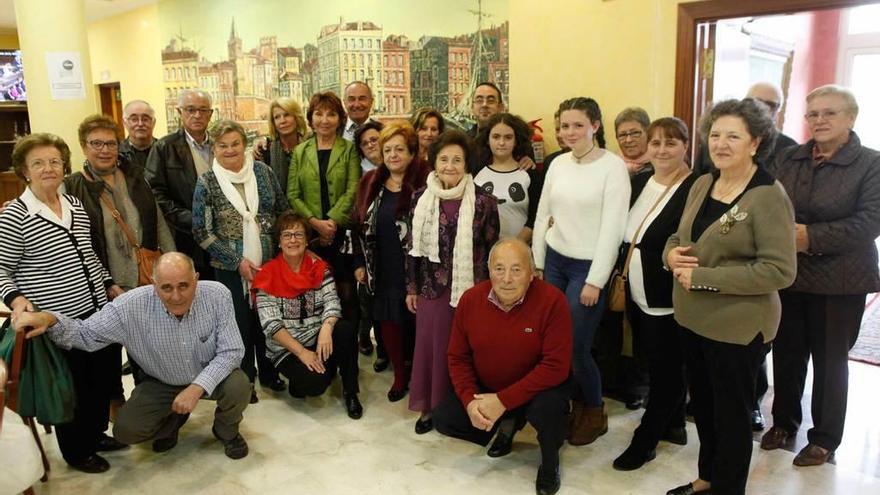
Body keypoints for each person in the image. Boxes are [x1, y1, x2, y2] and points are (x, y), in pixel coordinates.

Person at [663, 98, 796, 495]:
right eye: (715, 135)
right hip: (692, 319)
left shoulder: (769, 196)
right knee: (703, 408)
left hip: (737, 327)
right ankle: (708, 479)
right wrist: (671, 255)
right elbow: (679, 236)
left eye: (733, 136)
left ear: (756, 142)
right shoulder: (704, 182)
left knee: (732, 418)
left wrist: (704, 277)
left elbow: (780, 271)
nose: (720, 143)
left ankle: (728, 489)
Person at [13, 252, 251, 460]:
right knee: (126, 431)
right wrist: (50, 318)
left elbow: (231, 351)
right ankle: (172, 423)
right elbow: (85, 335)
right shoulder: (129, 306)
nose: (176, 296)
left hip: (209, 375)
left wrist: (197, 387)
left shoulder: (217, 295)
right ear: (153, 283)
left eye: (184, 286)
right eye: (166, 288)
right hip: (161, 382)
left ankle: (226, 431)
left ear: (196, 280)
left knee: (240, 385)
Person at [761, 84, 880, 467]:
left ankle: (825, 438)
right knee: (787, 353)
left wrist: (809, 236)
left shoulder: (872, 163)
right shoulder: (789, 157)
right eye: (813, 114)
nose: (819, 121)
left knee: (830, 361)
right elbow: (769, 202)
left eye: (829, 113)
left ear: (851, 117)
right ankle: (783, 423)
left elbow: (870, 221)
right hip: (790, 274)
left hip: (842, 277)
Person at [0, 133, 125, 473]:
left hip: (97, 312)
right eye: (38, 163)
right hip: (55, 319)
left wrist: (109, 282)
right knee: (74, 387)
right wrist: (17, 299)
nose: (48, 168)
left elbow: (88, 252)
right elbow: (1, 267)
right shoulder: (15, 215)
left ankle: (96, 433)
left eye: (54, 161)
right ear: (24, 171)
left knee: (100, 378)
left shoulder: (72, 204)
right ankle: (76, 449)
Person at [434, 239, 572, 495]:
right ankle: (506, 422)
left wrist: (503, 401)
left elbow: (556, 366)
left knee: (549, 412)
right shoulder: (471, 299)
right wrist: (470, 402)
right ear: (489, 272)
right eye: (499, 269)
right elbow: (457, 357)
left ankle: (550, 462)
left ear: (532, 274)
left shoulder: (553, 301)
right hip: (492, 384)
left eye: (517, 270)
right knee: (444, 419)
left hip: (538, 387)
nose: (507, 278)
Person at [65, 114, 176, 420]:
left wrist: (171, 262)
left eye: (110, 143)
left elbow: (157, 219)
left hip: (144, 276)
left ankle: (151, 403)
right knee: (109, 350)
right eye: (96, 143)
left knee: (149, 343)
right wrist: (104, 282)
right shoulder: (73, 186)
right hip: (107, 283)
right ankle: (115, 405)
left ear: (119, 145)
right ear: (84, 147)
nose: (104, 150)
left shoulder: (134, 176)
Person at [532, 97, 630, 446]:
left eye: (577, 125)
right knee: (551, 342)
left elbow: (613, 229)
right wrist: (539, 263)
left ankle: (594, 409)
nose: (569, 132)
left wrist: (595, 280)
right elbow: (543, 214)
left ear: (595, 126)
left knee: (576, 347)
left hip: (588, 268)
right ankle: (566, 405)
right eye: (563, 126)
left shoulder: (613, 168)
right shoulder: (558, 164)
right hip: (555, 261)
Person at [612, 117, 697, 471]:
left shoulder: (695, 187)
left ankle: (646, 440)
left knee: (666, 370)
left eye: (671, 143)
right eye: (656, 142)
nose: (661, 150)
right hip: (635, 289)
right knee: (653, 361)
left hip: (667, 293)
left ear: (685, 147)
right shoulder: (641, 180)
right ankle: (673, 424)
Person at [405, 130, 500, 434]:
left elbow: (490, 249)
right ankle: (428, 407)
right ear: (433, 162)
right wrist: (412, 287)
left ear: (467, 164)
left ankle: (461, 407)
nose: (449, 165)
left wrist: (490, 294)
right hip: (432, 288)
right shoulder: (421, 198)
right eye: (443, 159)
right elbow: (412, 247)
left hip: (470, 289)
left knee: (463, 351)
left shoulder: (484, 202)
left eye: (457, 160)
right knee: (431, 348)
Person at [192, 120, 289, 402]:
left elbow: (282, 210)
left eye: (235, 143)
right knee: (238, 325)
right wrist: (237, 261)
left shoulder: (263, 172)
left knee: (267, 321)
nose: (230, 150)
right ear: (214, 149)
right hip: (230, 270)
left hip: (268, 265)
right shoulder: (207, 182)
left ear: (244, 144)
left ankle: (270, 373)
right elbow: (201, 231)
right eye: (223, 145)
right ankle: (245, 379)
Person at [254, 212, 363, 419]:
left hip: (318, 337)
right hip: (287, 348)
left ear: (306, 241)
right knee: (315, 384)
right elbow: (271, 325)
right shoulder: (267, 274)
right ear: (279, 241)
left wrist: (326, 328)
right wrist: (302, 352)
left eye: (299, 235)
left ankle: (351, 392)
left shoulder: (320, 269)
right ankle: (304, 380)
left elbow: (332, 303)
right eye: (287, 235)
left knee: (345, 330)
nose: (293, 240)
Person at [353, 121, 429, 403]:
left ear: (411, 153)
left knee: (418, 323)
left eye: (400, 149)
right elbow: (356, 224)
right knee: (389, 322)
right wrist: (359, 262)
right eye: (388, 150)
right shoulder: (370, 182)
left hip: (419, 269)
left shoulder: (427, 183)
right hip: (382, 266)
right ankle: (400, 374)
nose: (393, 155)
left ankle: (418, 373)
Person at [288, 92, 361, 333]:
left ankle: (349, 356)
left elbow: (353, 188)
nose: (325, 120)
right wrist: (315, 223)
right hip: (311, 237)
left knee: (346, 293)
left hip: (341, 234)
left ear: (340, 119)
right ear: (311, 118)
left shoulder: (348, 149)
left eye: (331, 114)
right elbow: (293, 194)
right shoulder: (300, 151)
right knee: (314, 295)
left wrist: (332, 221)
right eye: (319, 114)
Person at [146, 89, 216, 278]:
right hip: (185, 236)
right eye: (190, 109)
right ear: (180, 112)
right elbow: (155, 192)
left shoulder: (219, 144)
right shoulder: (164, 147)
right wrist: (190, 219)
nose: (197, 115)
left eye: (203, 110)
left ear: (211, 114)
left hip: (221, 235)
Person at [694, 82, 798, 176]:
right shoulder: (715, 141)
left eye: (771, 105)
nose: (763, 108)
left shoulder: (789, 148)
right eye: (757, 102)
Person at [474, 112, 543, 242]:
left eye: (508, 137)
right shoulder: (475, 172)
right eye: (496, 137)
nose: (501, 142)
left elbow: (536, 217)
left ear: (516, 140)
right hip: (481, 252)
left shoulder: (529, 172)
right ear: (487, 140)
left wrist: (515, 246)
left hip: (519, 250)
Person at [468, 82, 535, 172]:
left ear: (500, 107)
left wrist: (528, 162)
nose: (484, 105)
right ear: (472, 107)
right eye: (479, 100)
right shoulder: (465, 141)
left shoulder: (519, 139)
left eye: (490, 101)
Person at [263, 97, 308, 188]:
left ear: (296, 117)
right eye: (277, 117)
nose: (282, 121)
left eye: (287, 115)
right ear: (273, 123)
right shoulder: (265, 150)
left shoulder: (310, 146)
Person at [119, 100, 158, 170]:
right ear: (124, 123)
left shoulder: (165, 151)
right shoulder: (117, 154)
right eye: (134, 119)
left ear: (153, 122)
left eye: (145, 119)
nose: (140, 124)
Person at [615, 107, 653, 176]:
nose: (628, 140)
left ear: (648, 133)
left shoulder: (660, 164)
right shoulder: (612, 165)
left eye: (635, 133)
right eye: (622, 135)